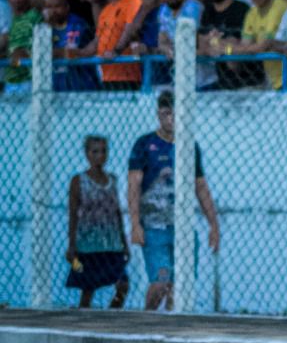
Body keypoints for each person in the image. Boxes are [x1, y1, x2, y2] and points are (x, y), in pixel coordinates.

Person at [128, 90, 221, 311]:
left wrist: (213, 225)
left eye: (175, 113)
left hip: (183, 228)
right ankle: (146, 319)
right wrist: (135, 224)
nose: (170, 119)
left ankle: (169, 330)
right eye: (165, 113)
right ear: (159, 115)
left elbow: (200, 186)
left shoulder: (190, 146)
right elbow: (134, 186)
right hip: (154, 226)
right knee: (161, 282)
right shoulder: (144, 144)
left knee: (180, 287)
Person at [65, 134, 130, 309]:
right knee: (88, 289)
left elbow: (117, 214)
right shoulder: (79, 181)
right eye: (94, 152)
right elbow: (73, 214)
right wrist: (72, 245)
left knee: (123, 284)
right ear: (87, 154)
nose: (99, 156)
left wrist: (124, 243)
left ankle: (111, 315)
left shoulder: (112, 180)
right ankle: (82, 319)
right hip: (88, 245)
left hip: (111, 244)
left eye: (103, 151)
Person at [93, 0, 147, 90]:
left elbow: (129, 31)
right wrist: (77, 53)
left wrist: (115, 51)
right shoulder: (106, 10)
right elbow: (97, 41)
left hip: (127, 76)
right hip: (107, 75)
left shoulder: (133, 1)